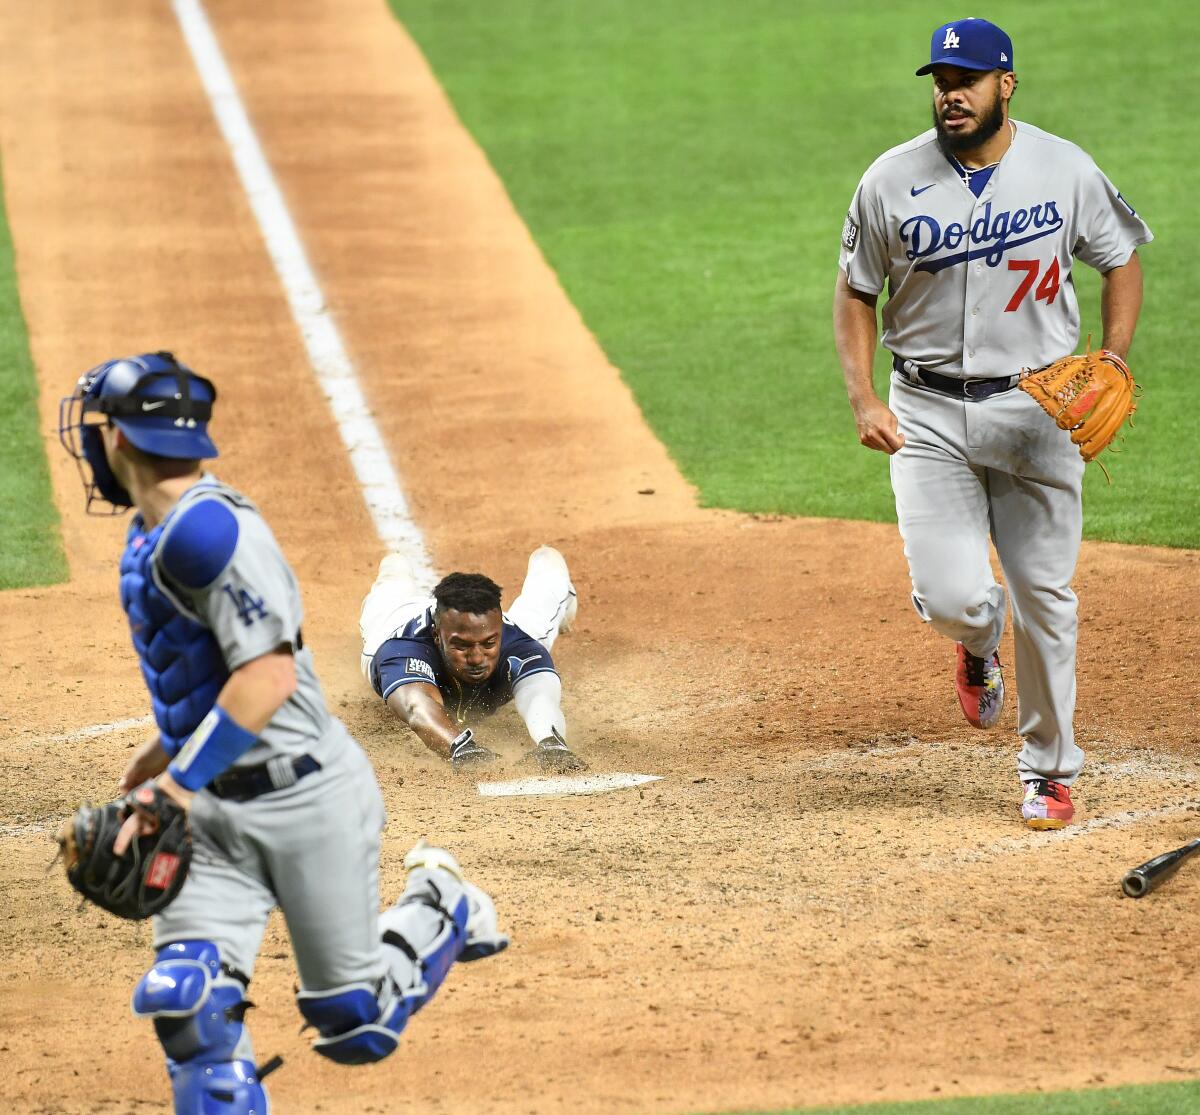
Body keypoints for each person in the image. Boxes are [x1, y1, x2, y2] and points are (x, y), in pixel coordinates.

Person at [58, 351, 508, 1113]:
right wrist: (164, 751)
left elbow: (266, 678)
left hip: (304, 798)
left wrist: (170, 783)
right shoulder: (155, 531)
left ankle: (440, 902)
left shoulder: (206, 533)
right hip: (214, 809)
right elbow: (211, 675)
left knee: (353, 1021)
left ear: (124, 441)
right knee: (188, 1009)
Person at [832, 18, 1151, 829]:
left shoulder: (1063, 167)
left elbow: (1119, 256)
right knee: (949, 595)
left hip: (1037, 409)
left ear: (1005, 84)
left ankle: (1048, 770)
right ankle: (978, 639)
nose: (951, 95)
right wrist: (864, 398)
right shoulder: (889, 180)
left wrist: (1112, 356)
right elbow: (855, 290)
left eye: (968, 80)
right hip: (927, 412)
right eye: (941, 81)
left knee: (1046, 593)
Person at [359, 547, 587, 773]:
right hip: (395, 615)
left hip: (487, 628)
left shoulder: (518, 642)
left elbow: (540, 694)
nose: (477, 658)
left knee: (546, 583)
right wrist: (460, 747)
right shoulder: (402, 648)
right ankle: (397, 568)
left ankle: (546, 562)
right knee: (390, 587)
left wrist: (551, 741)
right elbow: (416, 707)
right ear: (437, 635)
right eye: (462, 645)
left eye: (488, 644)